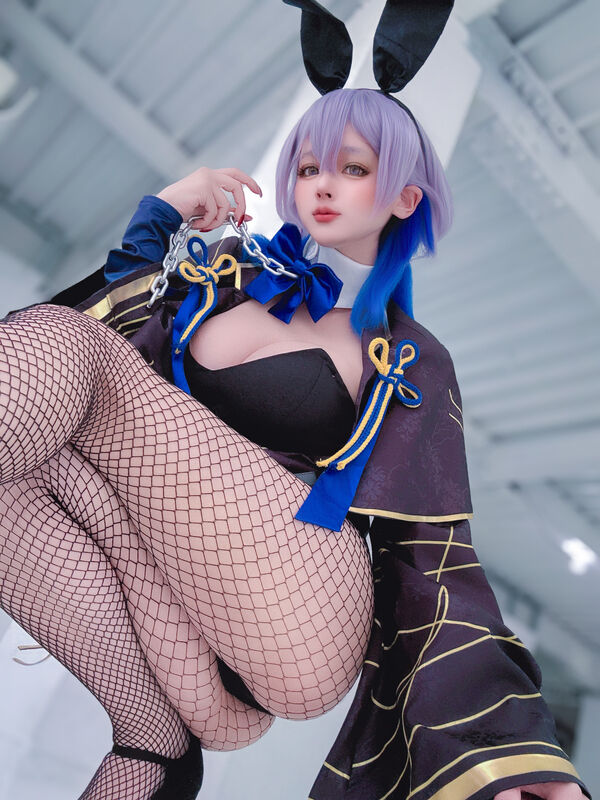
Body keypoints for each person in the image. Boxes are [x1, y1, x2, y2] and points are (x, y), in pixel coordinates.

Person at [0, 85, 589, 800]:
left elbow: (433, 560)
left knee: (62, 341)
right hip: (178, 633)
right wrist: (161, 214)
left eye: (353, 167)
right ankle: (153, 746)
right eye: (309, 168)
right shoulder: (230, 276)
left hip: (298, 610)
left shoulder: (406, 355)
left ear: (406, 198)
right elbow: (101, 353)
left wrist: (505, 752)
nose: (323, 185)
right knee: (24, 466)